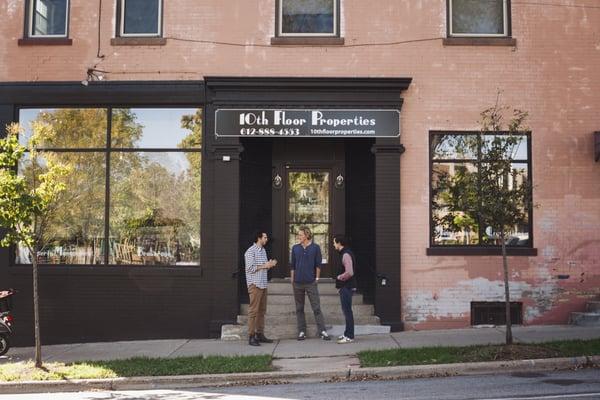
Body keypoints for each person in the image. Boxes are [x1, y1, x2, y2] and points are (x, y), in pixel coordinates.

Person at [290, 226, 331, 341]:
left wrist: (317, 279)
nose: (299, 237)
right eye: (298, 235)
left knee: (316, 307)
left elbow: (318, 265)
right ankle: (302, 331)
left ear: (307, 235)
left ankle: (322, 331)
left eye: (301, 235)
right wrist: (292, 280)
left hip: (310, 282)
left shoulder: (315, 248)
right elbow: (292, 265)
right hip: (297, 283)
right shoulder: (295, 248)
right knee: (299, 308)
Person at [244, 231, 277, 346]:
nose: (266, 239)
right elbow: (250, 269)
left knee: (262, 311)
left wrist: (270, 264)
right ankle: (251, 336)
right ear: (259, 238)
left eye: (266, 237)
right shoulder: (250, 252)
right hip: (255, 284)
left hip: (263, 284)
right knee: (253, 311)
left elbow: (263, 267)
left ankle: (260, 334)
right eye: (265, 237)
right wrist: (265, 265)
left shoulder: (263, 251)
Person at [333, 234, 357, 344]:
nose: (333, 245)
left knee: (347, 312)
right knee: (346, 311)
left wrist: (339, 278)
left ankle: (350, 336)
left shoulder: (346, 254)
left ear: (339, 243)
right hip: (345, 287)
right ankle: (347, 333)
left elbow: (349, 272)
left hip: (347, 287)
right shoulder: (344, 253)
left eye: (334, 242)